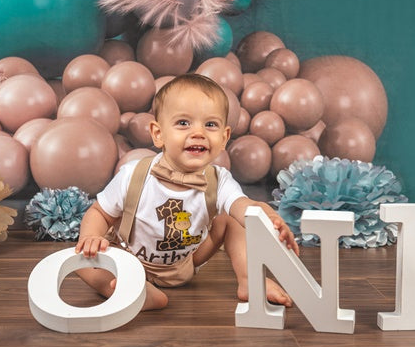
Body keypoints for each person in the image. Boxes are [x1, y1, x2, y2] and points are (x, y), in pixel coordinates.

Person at [75, 73, 299, 310]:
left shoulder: (218, 180)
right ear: (158, 134)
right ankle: (138, 291)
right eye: (183, 123)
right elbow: (99, 212)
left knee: (232, 221)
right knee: (81, 261)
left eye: (210, 124)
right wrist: (92, 237)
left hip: (185, 263)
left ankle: (249, 280)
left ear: (224, 138)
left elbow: (244, 206)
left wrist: (271, 218)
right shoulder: (133, 175)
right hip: (129, 260)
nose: (198, 133)